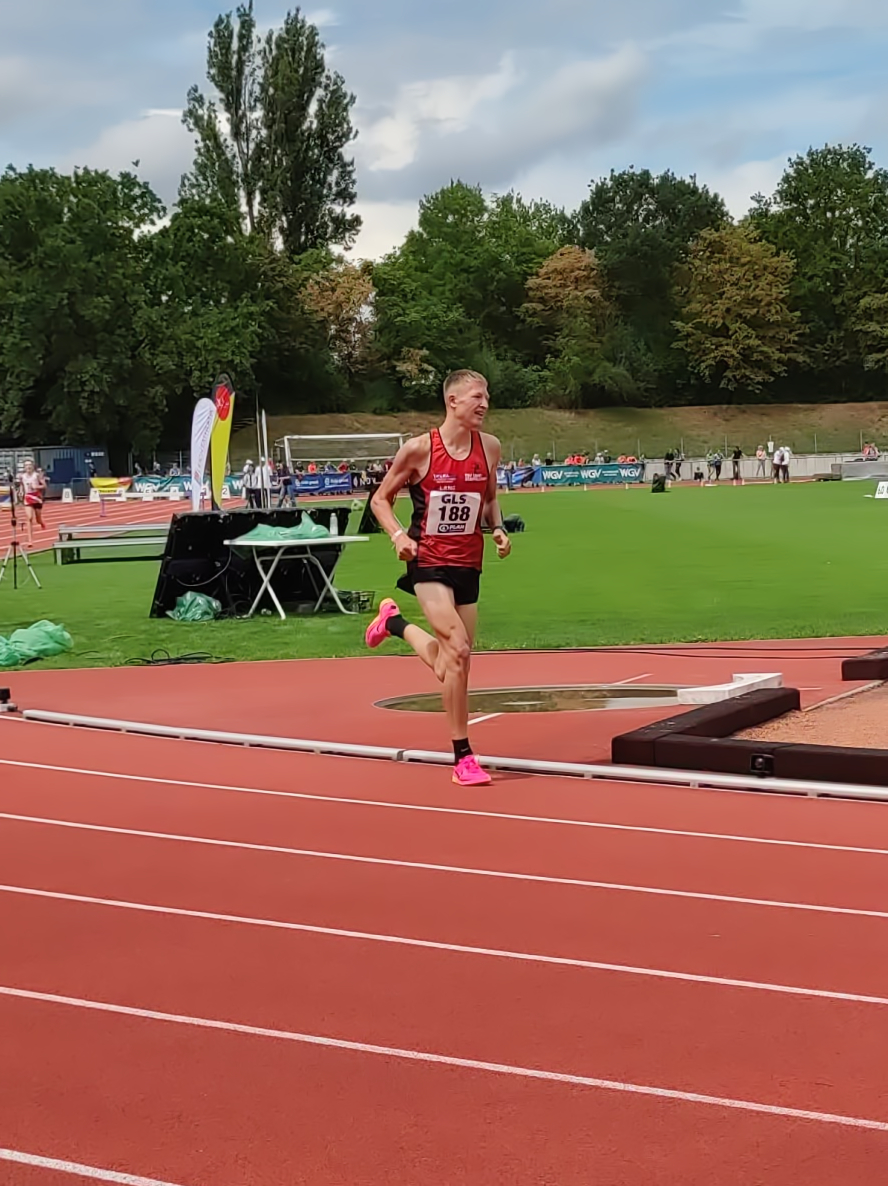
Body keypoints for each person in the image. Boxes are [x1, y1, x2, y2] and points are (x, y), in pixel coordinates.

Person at [364, 369, 512, 787]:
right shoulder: (418, 450)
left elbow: (490, 497)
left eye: (487, 397)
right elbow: (379, 500)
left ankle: (393, 622)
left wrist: (497, 528)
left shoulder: (491, 448)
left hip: (469, 562)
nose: (484, 404)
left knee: (454, 663)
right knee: (460, 651)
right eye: (477, 397)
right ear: (453, 401)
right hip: (427, 560)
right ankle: (463, 756)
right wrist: (397, 536)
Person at [18, 460, 46, 544]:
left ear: (33, 466)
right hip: (28, 497)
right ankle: (30, 540)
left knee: (38, 519)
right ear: (24, 467)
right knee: (29, 518)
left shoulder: (36, 475)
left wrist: (36, 486)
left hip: (37, 497)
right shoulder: (22, 476)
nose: (28, 467)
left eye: (30, 465)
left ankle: (41, 523)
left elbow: (44, 486)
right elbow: (21, 486)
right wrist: (20, 491)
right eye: (26, 465)